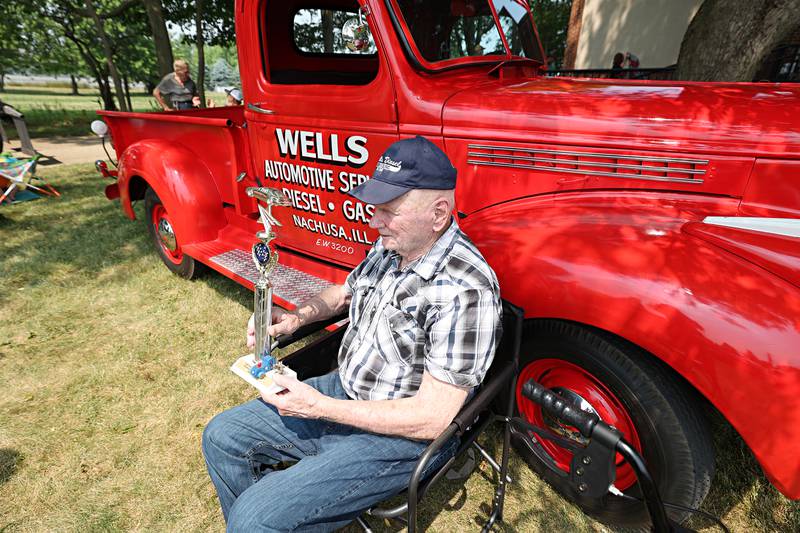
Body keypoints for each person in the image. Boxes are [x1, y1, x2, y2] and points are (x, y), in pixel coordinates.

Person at [202, 135, 503, 532]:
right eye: (374, 208)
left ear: (438, 212)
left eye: (388, 210)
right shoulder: (392, 245)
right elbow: (344, 292)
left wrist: (318, 408)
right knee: (221, 437)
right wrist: (297, 318)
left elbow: (432, 419)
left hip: (400, 438)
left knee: (253, 518)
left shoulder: (465, 289)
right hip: (343, 390)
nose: (373, 220)